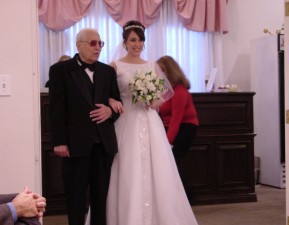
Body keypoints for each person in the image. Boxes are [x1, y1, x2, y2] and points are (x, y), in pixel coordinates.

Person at [87, 20, 198, 225]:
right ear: (125, 42)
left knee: (158, 167)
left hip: (149, 120)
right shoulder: (115, 66)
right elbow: (105, 94)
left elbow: (164, 94)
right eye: (133, 40)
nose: (137, 44)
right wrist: (112, 101)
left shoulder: (151, 66)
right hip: (126, 120)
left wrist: (151, 100)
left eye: (140, 40)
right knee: (127, 167)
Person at [48, 28, 121, 225]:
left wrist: (109, 111)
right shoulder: (60, 70)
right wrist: (60, 142)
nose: (98, 47)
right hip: (75, 145)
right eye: (93, 43)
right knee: (76, 198)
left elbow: (117, 103)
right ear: (79, 45)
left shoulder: (107, 71)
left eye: (100, 43)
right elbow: (56, 109)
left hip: (104, 144)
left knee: (101, 198)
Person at [157, 55, 199, 165]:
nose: (159, 74)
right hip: (171, 127)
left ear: (170, 72)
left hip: (185, 128)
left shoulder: (179, 90)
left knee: (172, 164)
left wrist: (167, 142)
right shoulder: (166, 90)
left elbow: (176, 118)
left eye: (162, 71)